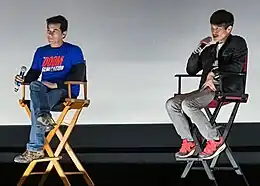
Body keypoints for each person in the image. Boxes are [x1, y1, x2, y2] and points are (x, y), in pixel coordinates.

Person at [166, 9, 248, 160]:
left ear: (229, 29)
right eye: (212, 28)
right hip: (205, 90)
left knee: (189, 104)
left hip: (225, 88)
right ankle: (190, 141)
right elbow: (191, 70)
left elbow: (236, 67)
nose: (214, 32)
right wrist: (199, 48)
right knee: (172, 104)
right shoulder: (209, 48)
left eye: (218, 28)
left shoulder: (237, 43)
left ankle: (215, 139)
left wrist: (214, 74)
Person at [14, 15, 86, 163]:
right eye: (48, 31)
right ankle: (44, 117)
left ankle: (35, 149)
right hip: (43, 90)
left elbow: (78, 75)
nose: (50, 34)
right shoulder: (41, 52)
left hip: (64, 91)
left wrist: (56, 85)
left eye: (54, 31)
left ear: (63, 34)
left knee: (36, 105)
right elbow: (33, 75)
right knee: (35, 86)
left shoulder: (74, 51)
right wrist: (23, 80)